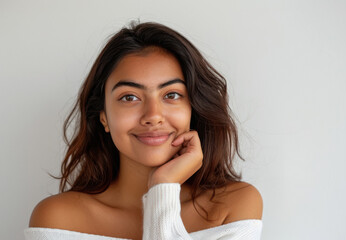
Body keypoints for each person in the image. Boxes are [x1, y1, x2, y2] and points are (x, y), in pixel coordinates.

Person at [24, 21, 263, 240]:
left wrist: (163, 187)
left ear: (193, 109)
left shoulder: (234, 205)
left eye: (171, 95)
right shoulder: (58, 219)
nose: (153, 116)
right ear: (103, 117)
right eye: (129, 97)